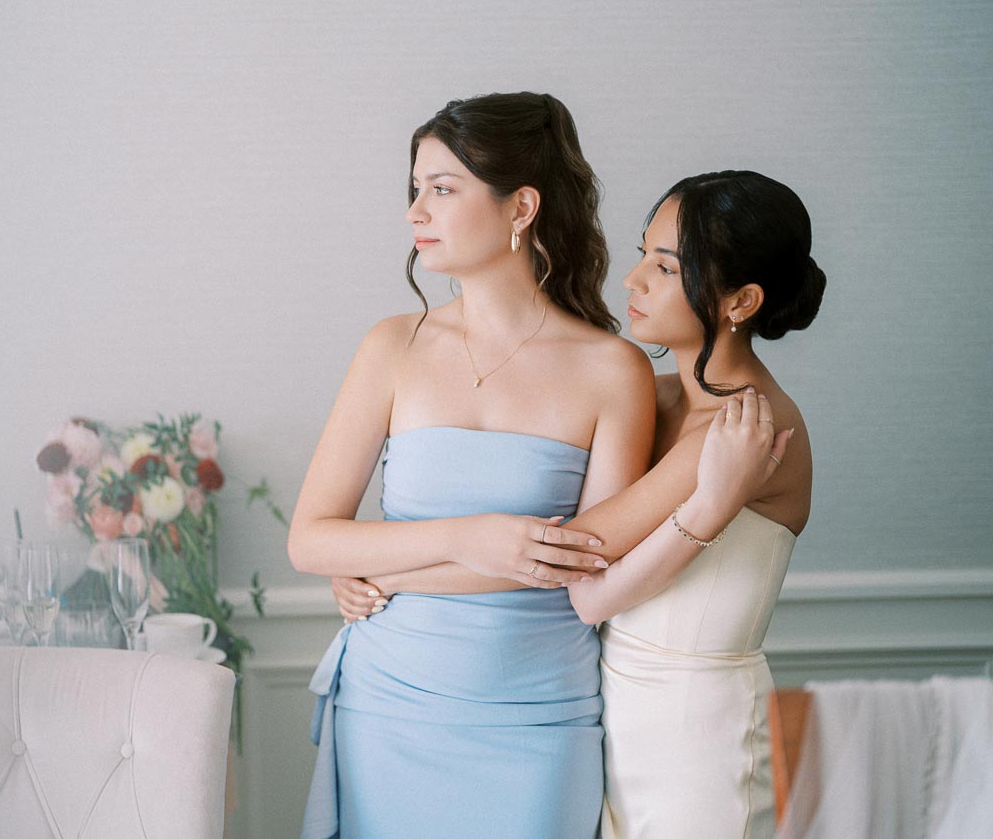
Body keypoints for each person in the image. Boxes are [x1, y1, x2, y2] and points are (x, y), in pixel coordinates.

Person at [333, 170, 825, 838]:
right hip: (619, 715)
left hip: (698, 735)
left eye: (666, 266)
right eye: (643, 254)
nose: (634, 280)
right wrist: (371, 562)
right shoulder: (659, 397)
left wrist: (390, 575)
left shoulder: (743, 426)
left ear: (741, 301)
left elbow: (572, 559)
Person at [288, 91, 656, 839]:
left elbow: (585, 562)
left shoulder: (614, 370)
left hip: (537, 716)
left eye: (442, 189)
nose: (415, 212)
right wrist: (464, 537)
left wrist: (390, 569)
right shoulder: (393, 346)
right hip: (389, 705)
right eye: (415, 189)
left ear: (521, 207)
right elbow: (311, 540)